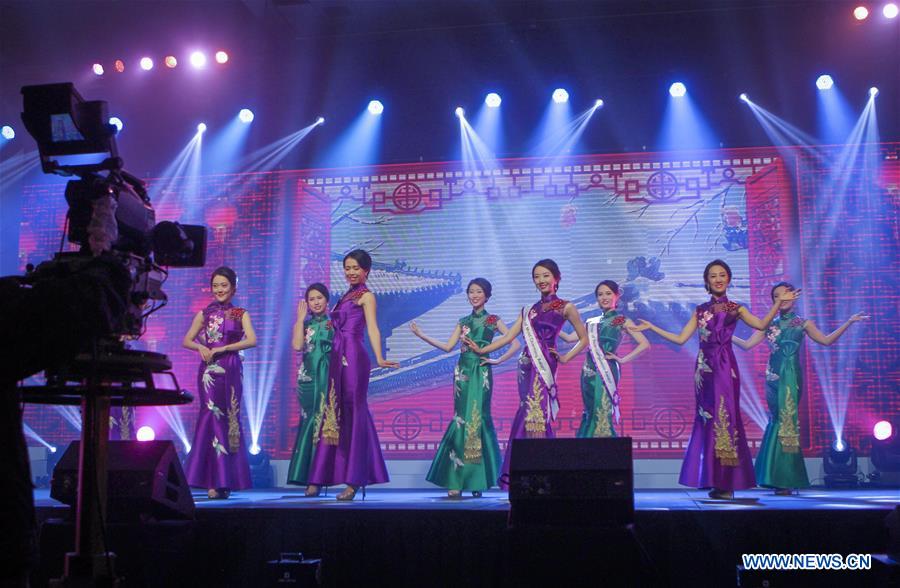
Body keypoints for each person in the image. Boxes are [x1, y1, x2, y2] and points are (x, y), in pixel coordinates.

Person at [629, 260, 799, 499]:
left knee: (724, 418)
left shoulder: (735, 308)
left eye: (722, 275)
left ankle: (726, 483)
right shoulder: (700, 310)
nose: (718, 279)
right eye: (712, 276)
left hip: (724, 366)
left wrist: (779, 303)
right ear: (707, 282)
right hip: (703, 370)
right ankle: (714, 480)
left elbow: (761, 324)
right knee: (707, 420)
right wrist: (652, 328)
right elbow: (680, 339)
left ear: (728, 279)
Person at [733, 281, 868, 494]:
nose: (782, 298)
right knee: (776, 420)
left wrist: (849, 323)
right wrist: (722, 336)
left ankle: (784, 479)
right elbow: (748, 345)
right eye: (777, 296)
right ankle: (772, 475)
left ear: (794, 296)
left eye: (786, 294)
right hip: (773, 378)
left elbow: (826, 341)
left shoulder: (802, 323)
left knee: (788, 422)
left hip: (792, 377)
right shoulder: (770, 324)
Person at [464, 259, 588, 489]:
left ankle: (541, 473)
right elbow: (508, 337)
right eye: (537, 277)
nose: (541, 280)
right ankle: (528, 475)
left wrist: (565, 357)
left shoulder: (566, 307)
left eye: (546, 276)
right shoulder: (528, 310)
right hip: (525, 364)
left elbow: (584, 338)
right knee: (527, 411)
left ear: (556, 278)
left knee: (537, 414)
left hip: (545, 364)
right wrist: (481, 349)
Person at [411, 278, 520, 497]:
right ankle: (458, 479)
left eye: (479, 291)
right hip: (462, 373)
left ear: (487, 295)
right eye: (471, 292)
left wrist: (496, 360)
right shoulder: (463, 321)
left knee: (477, 419)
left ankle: (477, 479)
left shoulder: (492, 320)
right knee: (461, 419)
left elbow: (515, 343)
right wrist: (422, 336)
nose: (474, 295)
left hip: (481, 372)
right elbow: (448, 347)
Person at [307, 250, 400, 500]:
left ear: (366, 271)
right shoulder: (345, 296)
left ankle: (354, 480)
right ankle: (322, 475)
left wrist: (379, 358)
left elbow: (373, 328)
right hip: (337, 355)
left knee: (355, 410)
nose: (350, 272)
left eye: (356, 268)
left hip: (354, 356)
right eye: (347, 267)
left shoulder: (366, 296)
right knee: (334, 412)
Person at [182, 266, 257, 499]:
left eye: (224, 285)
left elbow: (252, 340)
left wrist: (225, 348)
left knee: (229, 418)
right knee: (211, 415)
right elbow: (187, 340)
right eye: (216, 285)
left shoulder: (240, 313)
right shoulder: (204, 313)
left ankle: (225, 480)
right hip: (209, 372)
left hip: (232, 368)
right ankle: (213, 481)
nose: (220, 290)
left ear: (233, 287)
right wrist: (201, 347)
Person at [559, 280, 650, 438]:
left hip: (607, 371)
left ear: (617, 296)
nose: (604, 297)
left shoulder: (620, 320)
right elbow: (568, 338)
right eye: (600, 294)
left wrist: (622, 360)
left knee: (602, 410)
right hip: (588, 372)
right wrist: (551, 325)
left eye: (608, 293)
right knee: (589, 411)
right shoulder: (591, 323)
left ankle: (604, 452)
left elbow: (644, 344)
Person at [286, 283, 334, 496]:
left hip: (327, 376)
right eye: (311, 299)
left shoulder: (334, 324)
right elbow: (297, 346)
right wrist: (298, 319)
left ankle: (318, 478)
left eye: (319, 298)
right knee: (308, 421)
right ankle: (309, 477)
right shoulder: (304, 325)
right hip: (307, 378)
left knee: (323, 421)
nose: (315, 302)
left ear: (327, 300)